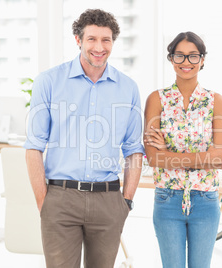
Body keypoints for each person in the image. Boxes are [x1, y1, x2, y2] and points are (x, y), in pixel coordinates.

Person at [24, 9, 144, 268]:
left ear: (113, 42)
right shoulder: (49, 81)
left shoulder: (128, 88)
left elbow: (134, 150)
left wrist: (126, 201)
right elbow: (34, 146)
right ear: (78, 40)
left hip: (109, 200)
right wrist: (44, 202)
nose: (99, 47)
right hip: (60, 198)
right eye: (92, 39)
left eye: (106, 40)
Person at [144, 31, 222, 268]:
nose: (186, 63)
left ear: (202, 60)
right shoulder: (157, 100)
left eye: (193, 56)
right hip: (167, 199)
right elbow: (152, 158)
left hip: (205, 200)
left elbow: (220, 160)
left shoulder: (216, 101)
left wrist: (168, 155)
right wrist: (204, 158)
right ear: (171, 59)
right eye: (179, 56)